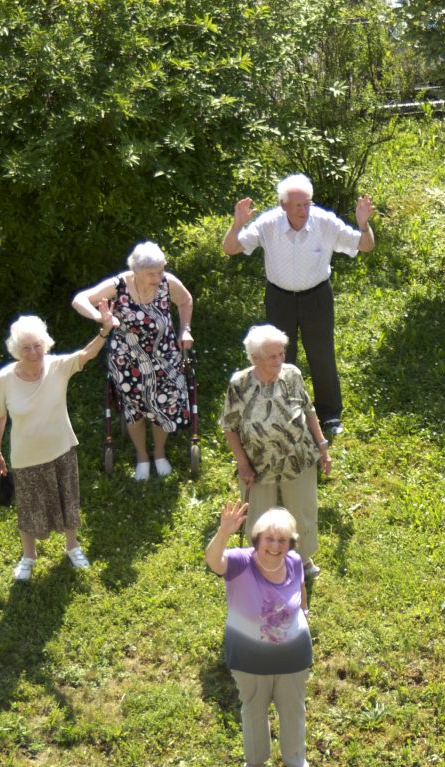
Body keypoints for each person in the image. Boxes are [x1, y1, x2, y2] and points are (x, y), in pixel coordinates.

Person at [221, 173, 375, 438]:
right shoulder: (268, 223)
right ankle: (284, 411)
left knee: (322, 355)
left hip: (316, 297)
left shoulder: (324, 221)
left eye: (307, 203)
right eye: (298, 205)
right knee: (280, 356)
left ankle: (329, 415)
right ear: (283, 205)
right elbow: (230, 248)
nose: (304, 210)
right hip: (279, 298)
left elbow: (366, 245)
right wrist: (237, 224)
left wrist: (364, 225)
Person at [0, 310, 115, 581]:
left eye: (37, 345)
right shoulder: (6, 378)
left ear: (45, 345)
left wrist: (105, 330)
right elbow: (0, 416)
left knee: (68, 500)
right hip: (25, 455)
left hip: (61, 448)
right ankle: (28, 557)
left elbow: (86, 354)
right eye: (26, 347)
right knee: (28, 506)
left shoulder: (58, 366)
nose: (33, 352)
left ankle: (72, 547)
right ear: (16, 350)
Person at [205, 501, 314, 767]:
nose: (275, 546)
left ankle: (295, 759)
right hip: (248, 657)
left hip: (293, 656)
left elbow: (301, 588)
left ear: (290, 543)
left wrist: (304, 613)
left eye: (282, 540)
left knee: (293, 708)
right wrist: (224, 531)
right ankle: (255, 761)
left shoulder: (293, 561)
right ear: (257, 539)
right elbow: (214, 561)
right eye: (269, 539)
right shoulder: (241, 562)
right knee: (253, 707)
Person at [71, 241, 195, 481]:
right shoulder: (118, 285)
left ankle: (159, 453)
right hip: (128, 362)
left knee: (162, 408)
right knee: (134, 411)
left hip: (165, 359)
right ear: (136, 271)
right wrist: (100, 316)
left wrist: (185, 329)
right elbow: (79, 300)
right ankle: (141, 456)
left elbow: (186, 300)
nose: (158, 277)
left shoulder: (168, 283)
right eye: (152, 274)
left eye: (160, 271)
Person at [221, 325, 333, 580]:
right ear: (255, 357)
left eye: (282, 353)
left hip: (298, 458)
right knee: (259, 516)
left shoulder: (292, 374)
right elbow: (229, 427)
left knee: (303, 511)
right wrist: (242, 463)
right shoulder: (239, 384)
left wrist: (322, 446)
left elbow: (309, 410)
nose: (280, 360)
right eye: (273, 356)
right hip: (258, 464)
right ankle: (261, 562)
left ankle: (302, 559)